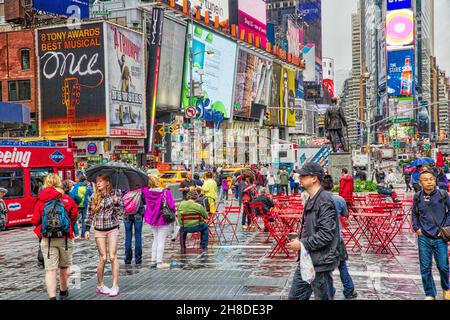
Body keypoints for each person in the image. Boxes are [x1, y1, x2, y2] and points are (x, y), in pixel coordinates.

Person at [287, 162, 340, 300]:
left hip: (320, 262)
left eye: (303, 176)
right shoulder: (313, 198)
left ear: (314, 178)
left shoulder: (324, 200)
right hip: (308, 260)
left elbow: (326, 234)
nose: (300, 178)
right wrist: (300, 239)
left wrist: (302, 244)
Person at [31, 174, 78, 300]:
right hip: (66, 238)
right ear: (59, 183)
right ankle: (63, 292)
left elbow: (35, 220)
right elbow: (74, 216)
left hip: (48, 239)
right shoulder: (66, 198)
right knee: (64, 267)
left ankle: (52, 297)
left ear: (46, 184)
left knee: (50, 270)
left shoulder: (41, 199)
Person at [412, 170, 450, 300]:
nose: (429, 182)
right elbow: (414, 214)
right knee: (425, 267)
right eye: (426, 180)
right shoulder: (417, 196)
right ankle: (430, 293)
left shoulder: (443, 194)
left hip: (440, 236)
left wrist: (445, 228)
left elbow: (449, 212)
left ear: (435, 180)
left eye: (431, 179)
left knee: (444, 266)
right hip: (424, 237)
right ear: (420, 182)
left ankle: (446, 288)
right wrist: (416, 228)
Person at [85, 174, 124, 297]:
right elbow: (90, 214)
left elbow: (121, 213)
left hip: (112, 228)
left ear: (108, 182)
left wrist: (117, 202)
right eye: (97, 181)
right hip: (99, 229)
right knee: (103, 258)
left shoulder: (116, 194)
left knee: (113, 257)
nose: (98, 183)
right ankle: (100, 285)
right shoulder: (93, 196)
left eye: (101, 181)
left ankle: (115, 285)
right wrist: (86, 229)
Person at [322, 175, 357, 299]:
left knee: (325, 268)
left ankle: (330, 290)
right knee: (342, 265)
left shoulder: (317, 200)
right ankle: (349, 289)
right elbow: (345, 213)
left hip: (323, 239)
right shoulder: (339, 199)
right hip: (337, 237)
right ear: (332, 186)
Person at [142, 175, 176, 269]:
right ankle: (159, 262)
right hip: (162, 218)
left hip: (151, 218)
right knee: (161, 240)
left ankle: (153, 260)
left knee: (155, 239)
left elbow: (142, 188)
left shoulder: (146, 191)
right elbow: (172, 206)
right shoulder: (165, 192)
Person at [123, 190, 145, 265]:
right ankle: (138, 259)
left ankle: (128, 258)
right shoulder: (139, 189)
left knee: (128, 236)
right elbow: (144, 201)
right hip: (138, 213)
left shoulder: (124, 189)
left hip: (127, 214)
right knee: (138, 236)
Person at [73, 173, 93, 238]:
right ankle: (83, 235)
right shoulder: (87, 188)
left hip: (76, 205)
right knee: (84, 220)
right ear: (84, 181)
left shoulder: (75, 187)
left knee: (74, 220)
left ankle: (76, 234)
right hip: (85, 205)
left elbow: (73, 195)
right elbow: (92, 195)